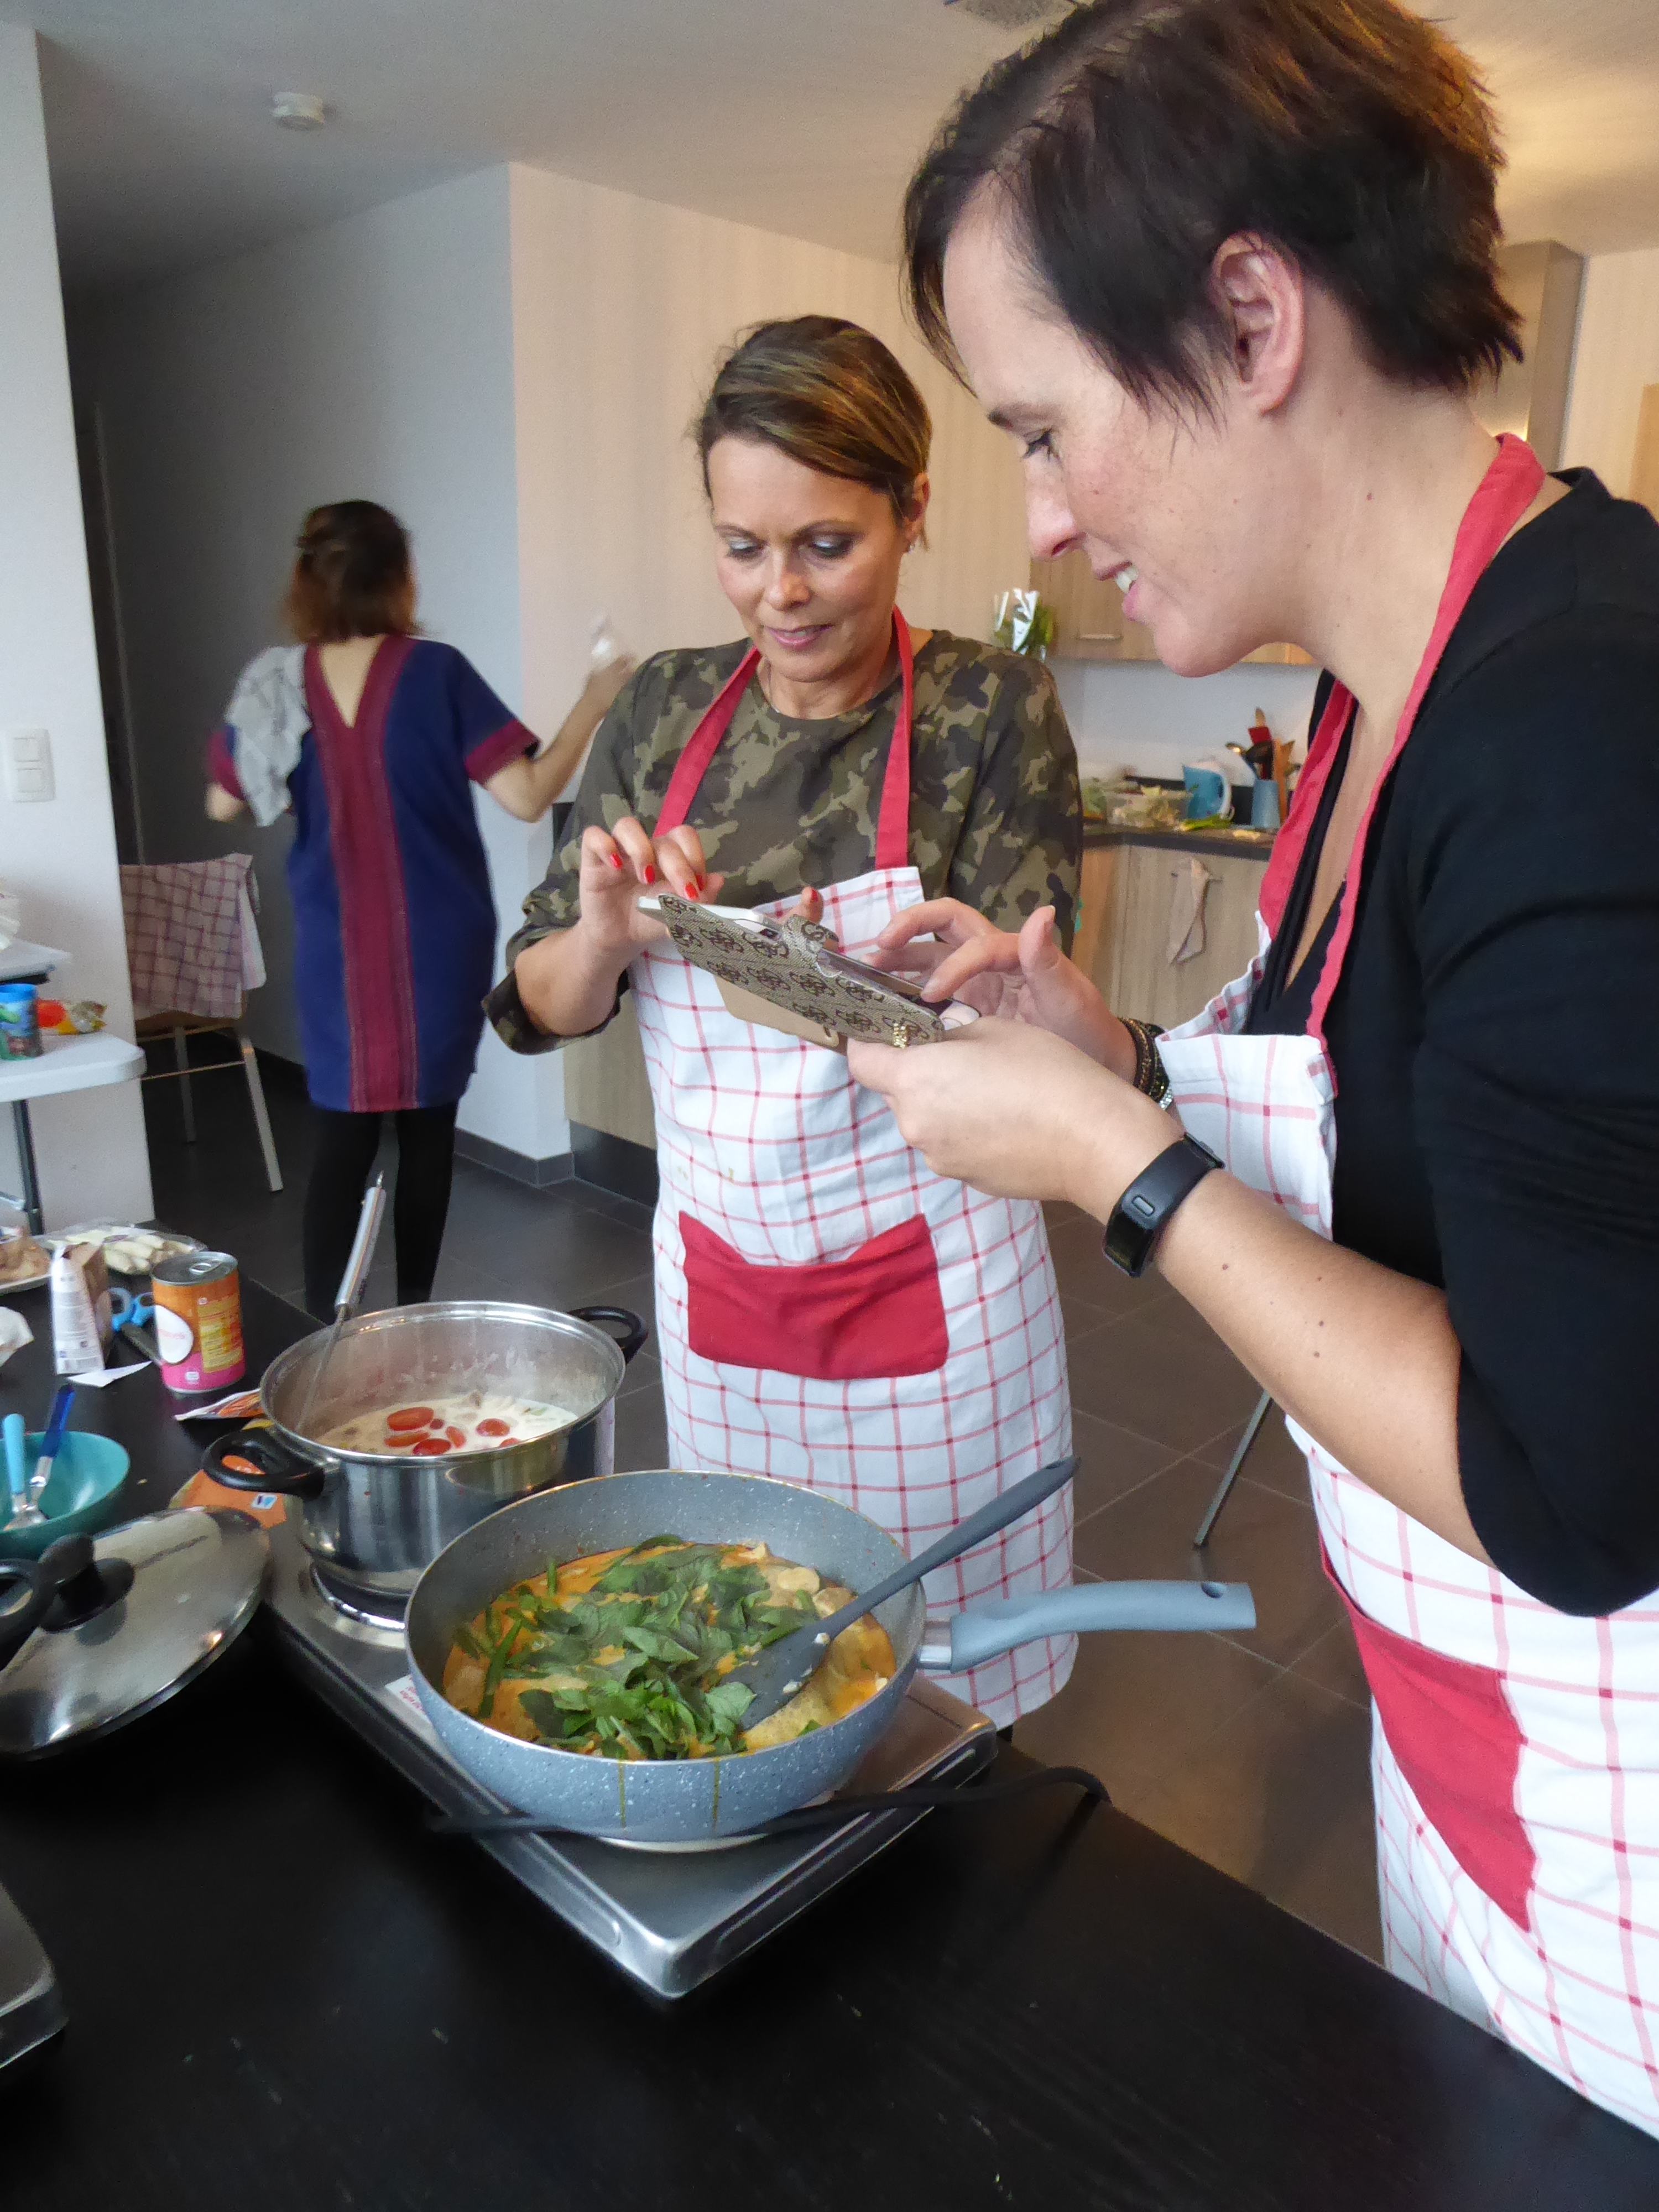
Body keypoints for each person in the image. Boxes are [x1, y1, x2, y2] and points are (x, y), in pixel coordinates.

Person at [847, 0, 1659, 2135]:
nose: (1036, 523)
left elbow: (1573, 1494)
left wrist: (1119, 1165)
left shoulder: (1585, 723)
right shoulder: (1373, 699)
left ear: (1250, 316)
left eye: (1043, 431)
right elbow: (1407, 1135)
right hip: (1471, 1766)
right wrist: (1106, 1052)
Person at [489, 316, 1082, 1729]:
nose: (783, 592)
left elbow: (1026, 1041)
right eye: (742, 546)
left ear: (913, 509)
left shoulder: (988, 710)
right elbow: (532, 1007)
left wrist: (809, 967)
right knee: (749, 1650)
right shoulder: (662, 708)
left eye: (826, 543)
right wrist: (610, 929)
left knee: (942, 1687)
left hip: (938, 1283)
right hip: (726, 1279)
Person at [205, 499, 633, 1318]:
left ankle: (325, 1334)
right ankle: (414, 1317)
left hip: (336, 950)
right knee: (429, 1138)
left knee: (342, 1142)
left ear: (306, 580)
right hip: (439, 944)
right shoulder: (438, 674)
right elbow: (530, 795)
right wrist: (594, 698)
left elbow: (224, 801)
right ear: (400, 578)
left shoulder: (279, 683)